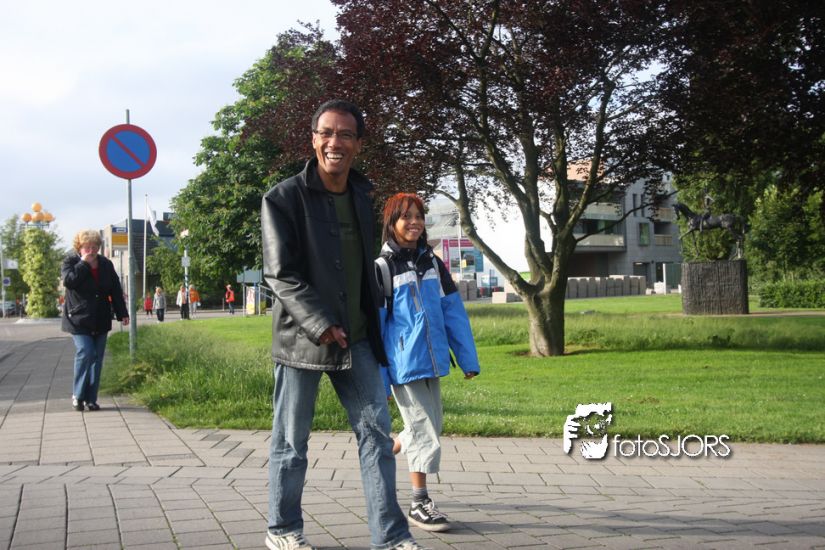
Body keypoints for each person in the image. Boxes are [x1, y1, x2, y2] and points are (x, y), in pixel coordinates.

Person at [261, 100, 421, 550]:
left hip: (359, 339)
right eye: (327, 133)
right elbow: (280, 274)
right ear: (314, 139)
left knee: (376, 437)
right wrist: (321, 323)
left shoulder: (361, 196)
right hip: (302, 342)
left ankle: (390, 537)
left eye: (346, 134)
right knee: (291, 443)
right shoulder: (282, 198)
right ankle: (282, 530)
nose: (336, 142)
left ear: (358, 144)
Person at [375, 193, 480, 532]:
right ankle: (419, 502)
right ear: (392, 223)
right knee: (425, 432)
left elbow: (453, 313)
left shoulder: (433, 263)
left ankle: (388, 448)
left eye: (419, 216)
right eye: (406, 216)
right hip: (404, 364)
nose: (415, 222)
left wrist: (467, 358)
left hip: (432, 361)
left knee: (431, 424)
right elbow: (376, 328)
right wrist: (381, 379)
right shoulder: (383, 268)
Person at [61, 229, 129, 411]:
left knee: (97, 359)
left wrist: (122, 313)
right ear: (79, 247)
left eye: (95, 247)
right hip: (78, 319)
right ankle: (78, 395)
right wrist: (83, 264)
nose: (91, 251)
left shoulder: (105, 264)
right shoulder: (70, 262)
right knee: (86, 352)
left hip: (100, 318)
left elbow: (115, 289)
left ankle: (91, 399)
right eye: (87, 247)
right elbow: (69, 281)